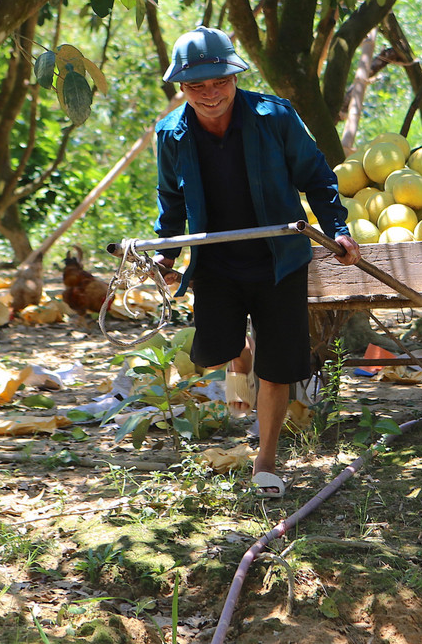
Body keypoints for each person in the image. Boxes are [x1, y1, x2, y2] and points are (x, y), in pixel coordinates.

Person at [150, 27, 360, 498]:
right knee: (212, 349)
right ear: (182, 89)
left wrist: (338, 229)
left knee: (277, 367)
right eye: (197, 87)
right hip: (216, 264)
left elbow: (318, 177)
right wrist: (165, 256)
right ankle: (239, 349)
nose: (210, 95)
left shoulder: (274, 117)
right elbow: (170, 203)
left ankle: (265, 460)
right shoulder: (171, 136)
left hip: (278, 260)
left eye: (218, 83)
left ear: (234, 78)